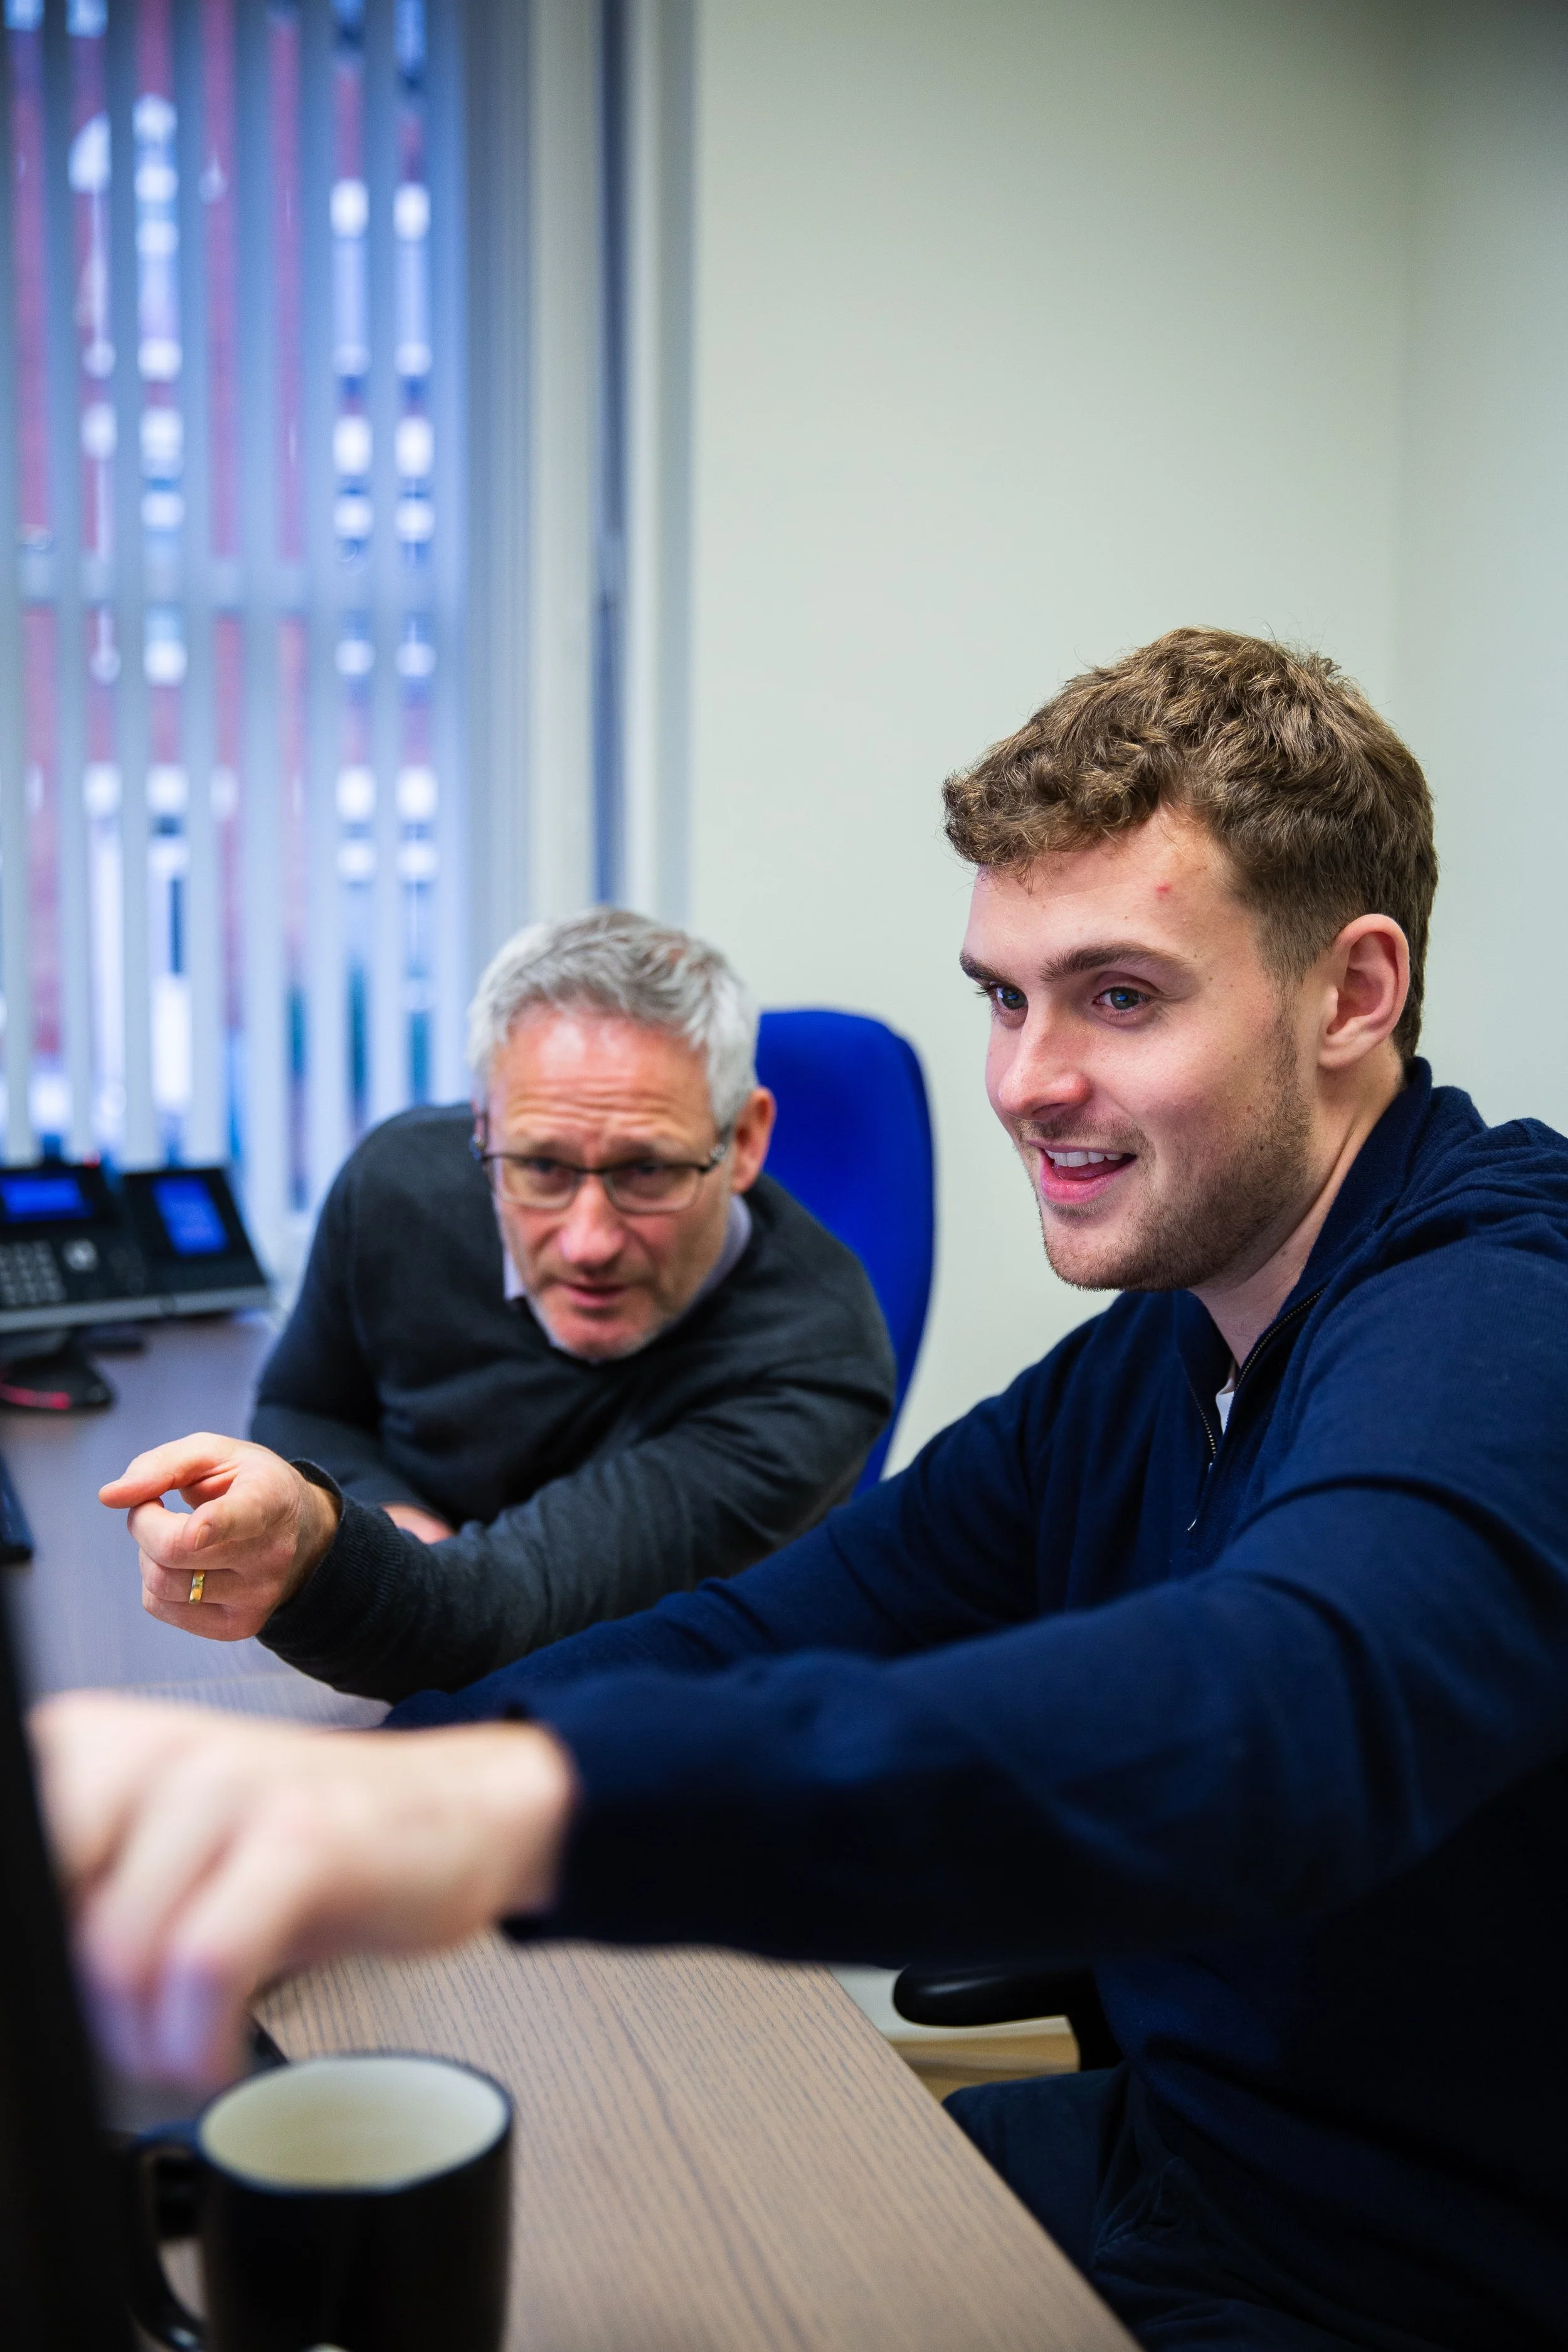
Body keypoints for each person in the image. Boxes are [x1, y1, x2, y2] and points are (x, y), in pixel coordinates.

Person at [43, 629, 1568, 2352]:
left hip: (1415, 2275)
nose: (1023, 1079)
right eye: (1005, 994)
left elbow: (1273, 1714)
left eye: (1118, 995)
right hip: (1180, 2157)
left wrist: (473, 1828)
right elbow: (771, 1627)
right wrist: (338, 1807)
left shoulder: (1506, 1309)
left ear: (1350, 994)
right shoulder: (1161, 1345)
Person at [106, 908, 895, 1699]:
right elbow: (307, 1407)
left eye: (648, 1170)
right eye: (541, 1167)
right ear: (481, 1127)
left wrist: (325, 1540)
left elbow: (517, 1622)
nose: (588, 1241)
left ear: (746, 1141)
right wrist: (395, 1521)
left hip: (630, 1727)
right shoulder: (398, 1185)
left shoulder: (816, 1360)